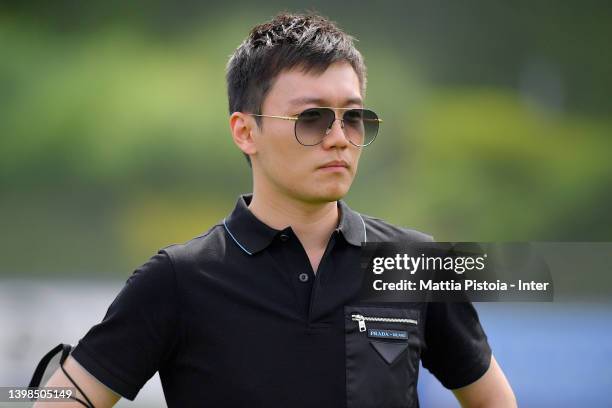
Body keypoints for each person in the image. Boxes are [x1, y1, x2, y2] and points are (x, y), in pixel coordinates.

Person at [34, 12, 517, 408]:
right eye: (312, 118)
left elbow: (495, 401)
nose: (338, 138)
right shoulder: (178, 280)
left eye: (354, 117)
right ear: (245, 131)